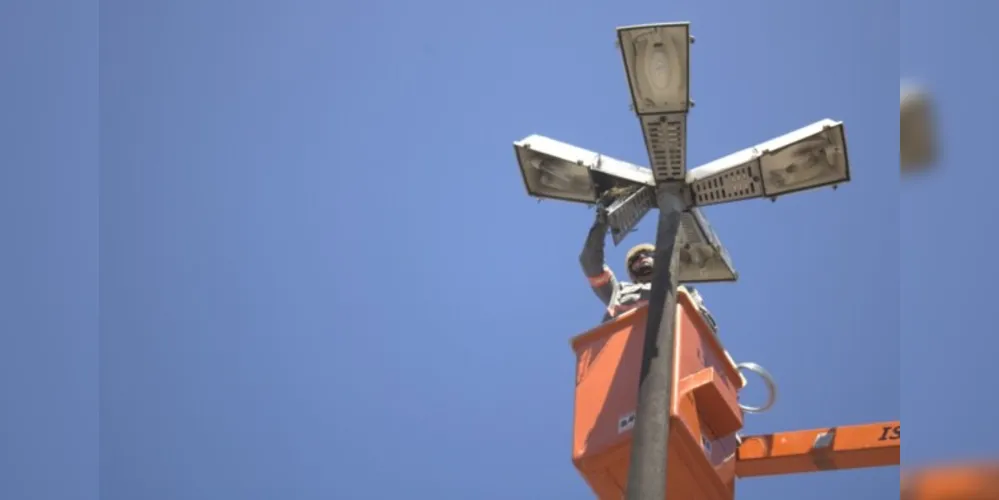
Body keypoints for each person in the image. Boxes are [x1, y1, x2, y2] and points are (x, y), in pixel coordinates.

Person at [579, 206, 656, 322]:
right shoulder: (619, 290)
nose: (642, 257)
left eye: (648, 254)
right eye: (635, 258)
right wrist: (602, 223)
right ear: (632, 272)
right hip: (623, 338)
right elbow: (590, 261)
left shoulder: (681, 292)